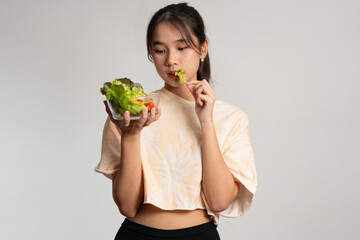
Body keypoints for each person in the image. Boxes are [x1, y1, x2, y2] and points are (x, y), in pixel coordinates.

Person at [95, 3, 257, 240]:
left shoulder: (231, 118)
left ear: (203, 48)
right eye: (160, 50)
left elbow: (219, 201)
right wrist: (131, 134)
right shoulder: (134, 111)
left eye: (182, 47)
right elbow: (127, 206)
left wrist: (206, 122)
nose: (171, 60)